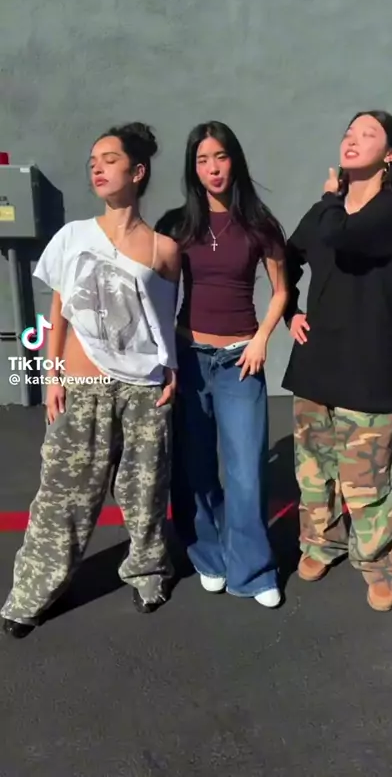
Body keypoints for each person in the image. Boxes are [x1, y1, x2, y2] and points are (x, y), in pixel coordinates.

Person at [1, 122, 180, 639]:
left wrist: (171, 372)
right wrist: (53, 375)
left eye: (110, 159)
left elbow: (163, 321)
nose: (97, 168)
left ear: (137, 171)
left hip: (144, 390)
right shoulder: (74, 236)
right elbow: (58, 313)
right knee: (63, 496)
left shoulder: (164, 249)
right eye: (93, 162)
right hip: (83, 387)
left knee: (144, 492)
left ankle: (148, 572)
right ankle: (33, 592)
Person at [282, 110, 392, 612]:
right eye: (349, 132)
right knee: (314, 472)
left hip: (367, 365)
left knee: (370, 479)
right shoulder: (327, 210)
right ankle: (322, 544)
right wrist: (290, 312)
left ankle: (383, 567)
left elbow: (345, 235)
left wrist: (329, 197)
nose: (353, 140)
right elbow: (286, 256)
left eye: (368, 135)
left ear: (390, 155)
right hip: (315, 362)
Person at [156, 121, 288, 608]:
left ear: (235, 160)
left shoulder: (259, 224)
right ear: (193, 168)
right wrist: (164, 360)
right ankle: (208, 555)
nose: (212, 168)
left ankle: (252, 571)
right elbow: (158, 295)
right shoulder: (177, 225)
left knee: (247, 470)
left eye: (220, 157)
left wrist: (261, 339)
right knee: (195, 469)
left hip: (240, 362)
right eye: (202, 160)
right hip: (189, 358)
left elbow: (281, 291)